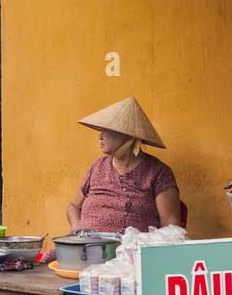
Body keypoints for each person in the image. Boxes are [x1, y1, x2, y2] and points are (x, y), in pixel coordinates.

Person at [68, 96, 181, 234]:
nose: (100, 136)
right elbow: (73, 206)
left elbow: (171, 226)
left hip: (129, 251)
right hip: (83, 249)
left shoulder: (158, 172)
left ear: (128, 136)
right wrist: (76, 227)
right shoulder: (97, 167)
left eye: (107, 131)